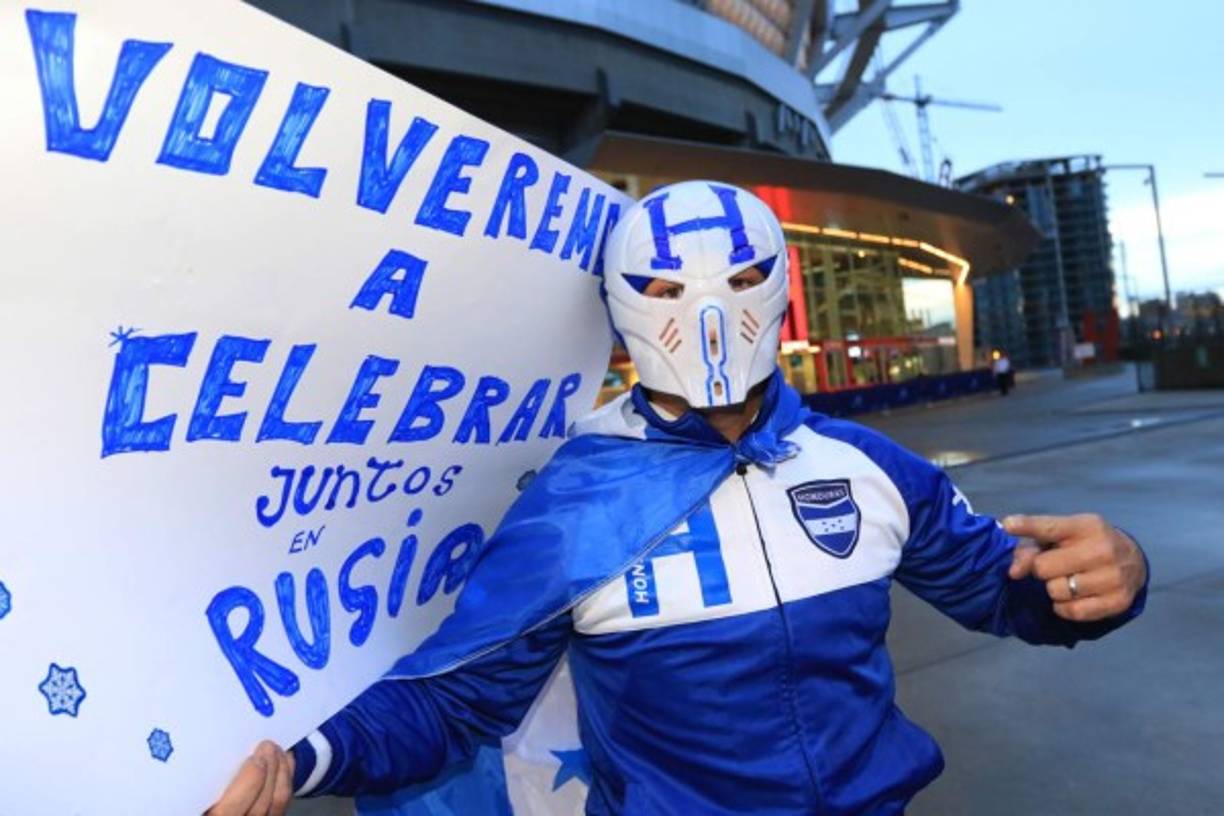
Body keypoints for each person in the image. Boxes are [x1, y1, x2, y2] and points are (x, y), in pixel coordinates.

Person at [208, 182, 1148, 816]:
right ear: (621, 304)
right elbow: (455, 702)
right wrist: (302, 759)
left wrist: (1110, 580)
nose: (706, 312)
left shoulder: (868, 468)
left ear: (778, 289)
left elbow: (1011, 590)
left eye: (739, 279)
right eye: (664, 286)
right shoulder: (574, 502)